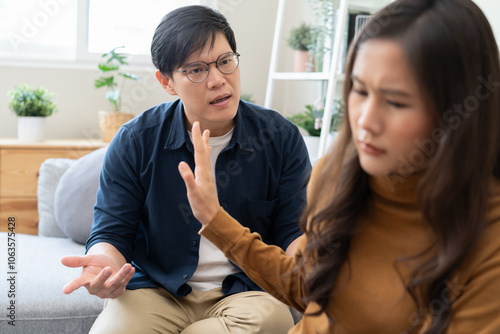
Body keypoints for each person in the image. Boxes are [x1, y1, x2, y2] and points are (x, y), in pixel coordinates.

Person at [178, 0, 500, 333]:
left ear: (458, 111)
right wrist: (214, 220)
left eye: (396, 101)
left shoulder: (487, 235)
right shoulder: (338, 172)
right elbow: (307, 287)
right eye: (359, 90)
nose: (365, 120)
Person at [61, 5, 311, 334]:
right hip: (155, 291)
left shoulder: (281, 138)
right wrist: (104, 265)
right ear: (167, 82)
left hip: (247, 293)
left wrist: (311, 265)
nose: (219, 80)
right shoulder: (136, 141)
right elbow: (111, 232)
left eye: (225, 61)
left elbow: (294, 233)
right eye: (197, 70)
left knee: (272, 320)